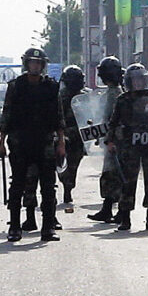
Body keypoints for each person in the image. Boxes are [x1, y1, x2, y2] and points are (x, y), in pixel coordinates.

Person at [0, 48, 66, 242]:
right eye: (31, 63)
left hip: (44, 141)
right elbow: (7, 114)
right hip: (20, 142)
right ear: (26, 64)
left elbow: (58, 117)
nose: (35, 66)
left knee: (48, 187)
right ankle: (15, 227)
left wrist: (61, 143)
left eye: (38, 63)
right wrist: (1, 141)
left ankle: (48, 227)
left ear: (42, 65)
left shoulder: (51, 87)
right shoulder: (16, 86)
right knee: (18, 185)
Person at [106, 64, 148, 231]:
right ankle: (125, 218)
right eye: (135, 80)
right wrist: (110, 141)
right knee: (128, 181)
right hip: (130, 145)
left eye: (141, 79)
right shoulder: (123, 100)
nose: (138, 83)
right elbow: (113, 122)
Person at [87, 56, 126, 223]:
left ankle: (114, 210)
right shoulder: (117, 92)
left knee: (113, 175)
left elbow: (111, 119)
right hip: (114, 140)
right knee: (114, 175)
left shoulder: (114, 94)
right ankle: (110, 209)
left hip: (115, 141)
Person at [57, 65, 89, 204]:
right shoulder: (59, 97)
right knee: (63, 164)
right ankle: (66, 186)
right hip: (63, 135)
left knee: (73, 164)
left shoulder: (85, 96)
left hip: (79, 136)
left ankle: (68, 187)